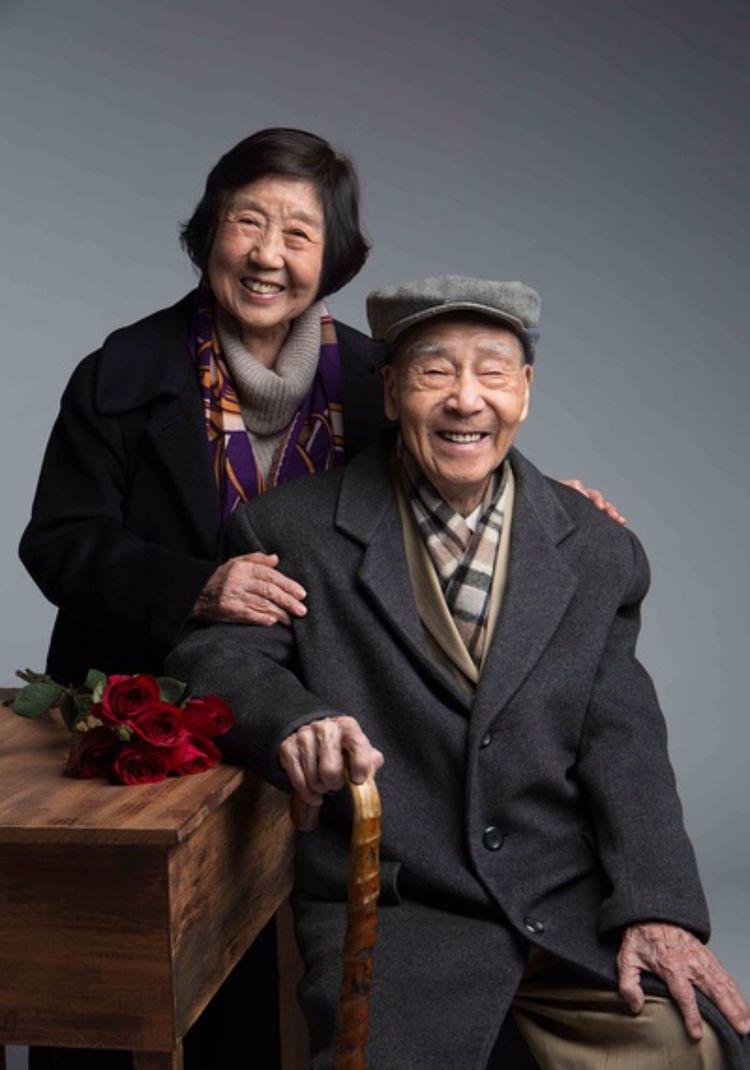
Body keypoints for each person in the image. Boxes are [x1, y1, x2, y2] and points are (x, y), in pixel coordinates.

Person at [19, 125, 619, 1070]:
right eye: (246, 222)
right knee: (126, 973)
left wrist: (554, 507)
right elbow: (58, 541)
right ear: (208, 232)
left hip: (312, 705)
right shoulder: (121, 372)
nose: (268, 254)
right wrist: (198, 586)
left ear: (332, 257)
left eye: (298, 234)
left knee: (272, 973)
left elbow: (457, 446)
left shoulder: (376, 376)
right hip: (149, 716)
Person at [167, 276, 750, 1070]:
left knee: (695, 1048)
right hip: (398, 916)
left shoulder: (596, 548)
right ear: (392, 390)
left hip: (566, 907)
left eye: (493, 372)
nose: (466, 400)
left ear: (525, 391)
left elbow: (627, 742)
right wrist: (296, 719)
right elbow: (217, 658)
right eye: (435, 371)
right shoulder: (294, 529)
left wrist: (658, 910)